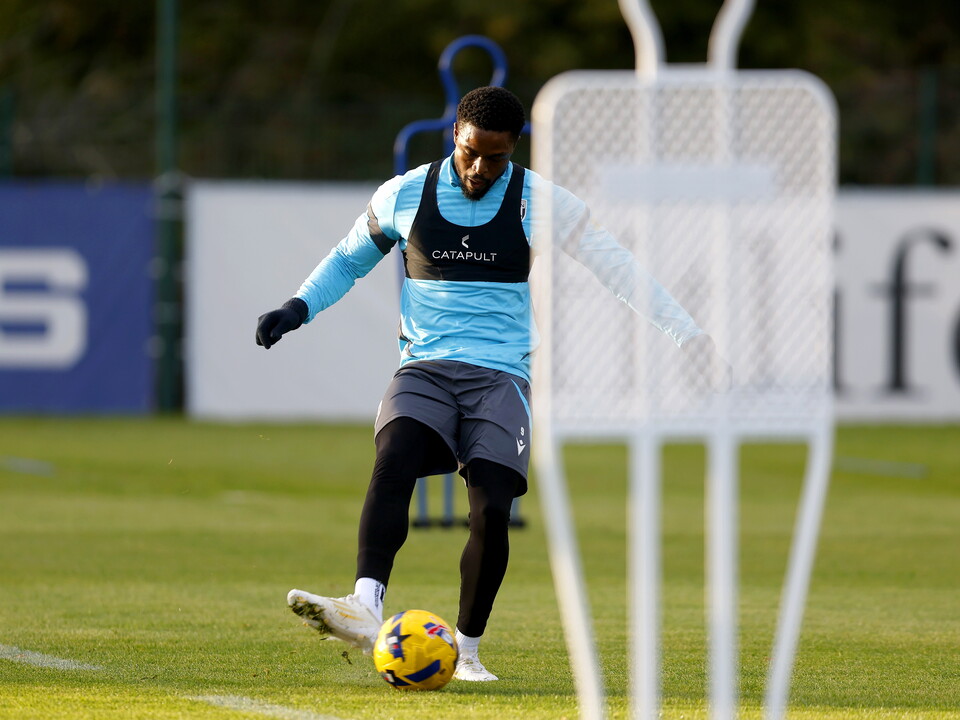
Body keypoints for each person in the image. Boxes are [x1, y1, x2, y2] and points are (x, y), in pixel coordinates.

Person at [255, 85, 723, 682]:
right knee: (393, 458)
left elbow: (619, 270)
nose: (480, 167)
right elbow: (348, 260)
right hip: (424, 368)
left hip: (501, 377)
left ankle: (467, 651)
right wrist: (298, 307)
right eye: (471, 152)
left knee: (492, 508)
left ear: (514, 149)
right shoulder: (405, 194)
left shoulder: (540, 203)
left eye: (495, 157)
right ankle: (364, 606)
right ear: (455, 134)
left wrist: (689, 336)